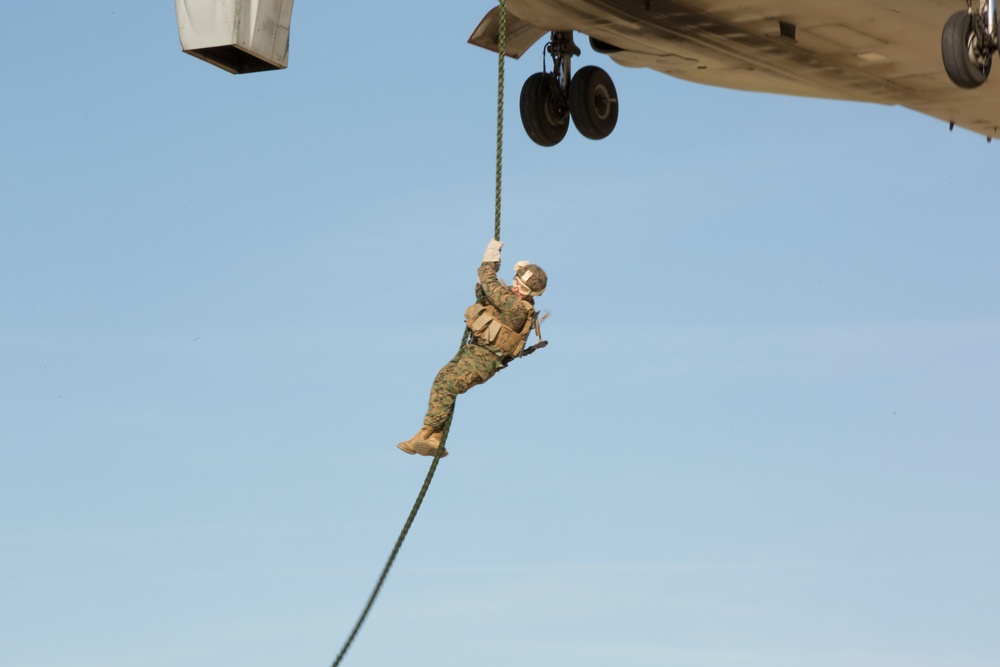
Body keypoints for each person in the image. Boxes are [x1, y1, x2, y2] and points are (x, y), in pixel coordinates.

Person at [398, 239, 547, 458]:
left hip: (484, 359)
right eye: (517, 282)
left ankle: (425, 433)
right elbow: (484, 293)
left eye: (523, 288)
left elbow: (489, 283)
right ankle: (433, 437)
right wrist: (485, 276)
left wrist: (489, 261)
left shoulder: (516, 307)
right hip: (475, 352)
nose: (516, 288)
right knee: (443, 379)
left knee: (446, 385)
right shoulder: (509, 298)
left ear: (531, 294)